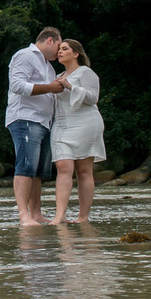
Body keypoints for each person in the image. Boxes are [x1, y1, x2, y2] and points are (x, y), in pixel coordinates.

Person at [5, 27, 64, 225]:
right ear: (49, 40)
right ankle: (24, 215)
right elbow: (17, 85)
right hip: (25, 118)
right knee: (26, 166)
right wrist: (50, 87)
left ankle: (36, 213)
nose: (59, 50)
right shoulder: (25, 55)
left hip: (44, 122)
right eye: (58, 45)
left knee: (39, 171)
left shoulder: (49, 67)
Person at [49, 39, 104, 224]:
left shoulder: (85, 72)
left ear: (76, 53)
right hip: (62, 125)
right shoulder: (57, 75)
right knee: (63, 166)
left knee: (83, 171)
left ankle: (83, 217)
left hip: (85, 123)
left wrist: (70, 86)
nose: (60, 52)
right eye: (59, 49)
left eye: (65, 49)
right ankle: (60, 215)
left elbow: (93, 98)